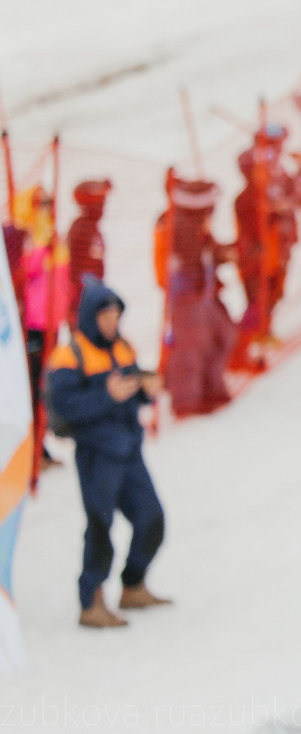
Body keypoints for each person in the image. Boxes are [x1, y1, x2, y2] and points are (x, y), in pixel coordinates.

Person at [45, 275, 169, 628]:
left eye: (116, 315)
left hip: (129, 449)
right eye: (105, 316)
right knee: (100, 526)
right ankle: (91, 601)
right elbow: (62, 408)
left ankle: (133, 585)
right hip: (96, 454)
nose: (112, 322)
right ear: (90, 317)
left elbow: (130, 390)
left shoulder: (122, 347)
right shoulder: (69, 355)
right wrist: (106, 396)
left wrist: (145, 389)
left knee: (152, 519)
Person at [154, 172, 234, 416]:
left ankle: (211, 388)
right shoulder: (180, 225)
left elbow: (209, 252)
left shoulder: (195, 224)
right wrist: (214, 250)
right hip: (186, 296)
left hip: (203, 295)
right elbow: (196, 255)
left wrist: (226, 252)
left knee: (221, 336)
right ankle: (187, 400)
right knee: (189, 349)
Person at [230, 126, 301, 370]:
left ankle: (262, 334)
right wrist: (272, 213)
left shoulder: (269, 191)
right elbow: (252, 230)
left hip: (275, 255)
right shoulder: (246, 198)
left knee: (271, 296)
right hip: (256, 260)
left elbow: (291, 198)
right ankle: (241, 349)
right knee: (257, 302)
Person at [12, 188, 64, 465]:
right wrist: (40, 248)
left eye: (49, 203)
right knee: (32, 387)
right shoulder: (25, 238)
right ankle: (31, 451)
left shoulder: (55, 238)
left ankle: (40, 445)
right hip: (32, 325)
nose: (47, 209)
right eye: (41, 204)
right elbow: (22, 277)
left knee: (46, 386)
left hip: (51, 324)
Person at [66, 178, 111, 307]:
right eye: (100, 204)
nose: (103, 209)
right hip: (82, 294)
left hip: (93, 289)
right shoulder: (81, 228)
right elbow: (73, 265)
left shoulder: (92, 228)